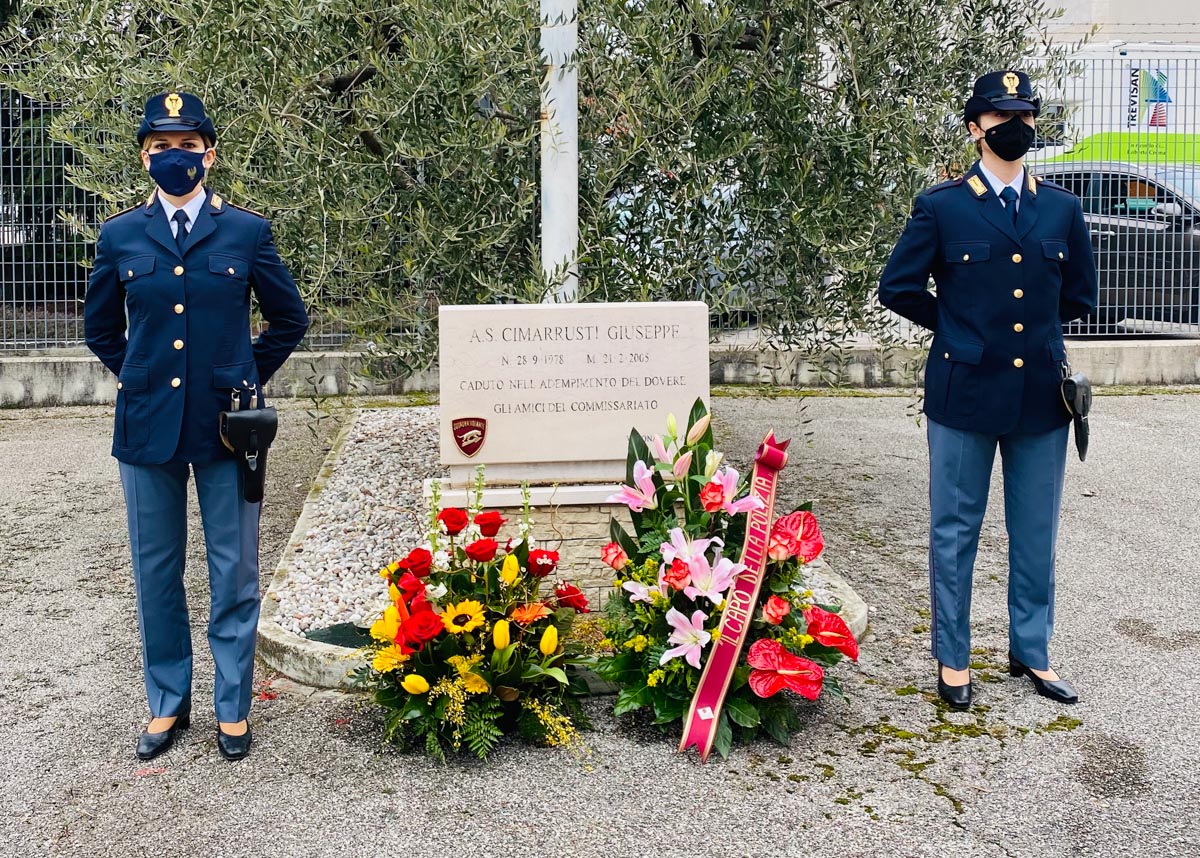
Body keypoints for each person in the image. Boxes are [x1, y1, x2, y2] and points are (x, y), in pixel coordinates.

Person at [84, 91, 309, 759]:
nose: (174, 157)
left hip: (227, 426)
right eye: (161, 147)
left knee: (233, 567)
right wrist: (141, 376)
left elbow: (288, 319)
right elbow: (100, 327)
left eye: (187, 146)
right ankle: (167, 703)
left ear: (209, 154)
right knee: (156, 572)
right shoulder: (121, 234)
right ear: (145, 157)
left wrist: (243, 373)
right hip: (147, 427)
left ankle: (233, 707)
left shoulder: (245, 231)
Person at [878, 70, 1098, 710]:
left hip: (1039, 399)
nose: (1017, 128)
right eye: (1002, 117)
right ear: (975, 127)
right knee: (955, 530)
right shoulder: (943, 206)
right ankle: (952, 657)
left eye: (1026, 115)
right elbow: (898, 287)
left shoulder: (1061, 207)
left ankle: (1032, 649)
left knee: (1036, 531)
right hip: (964, 392)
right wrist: (957, 328)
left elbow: (1078, 295)